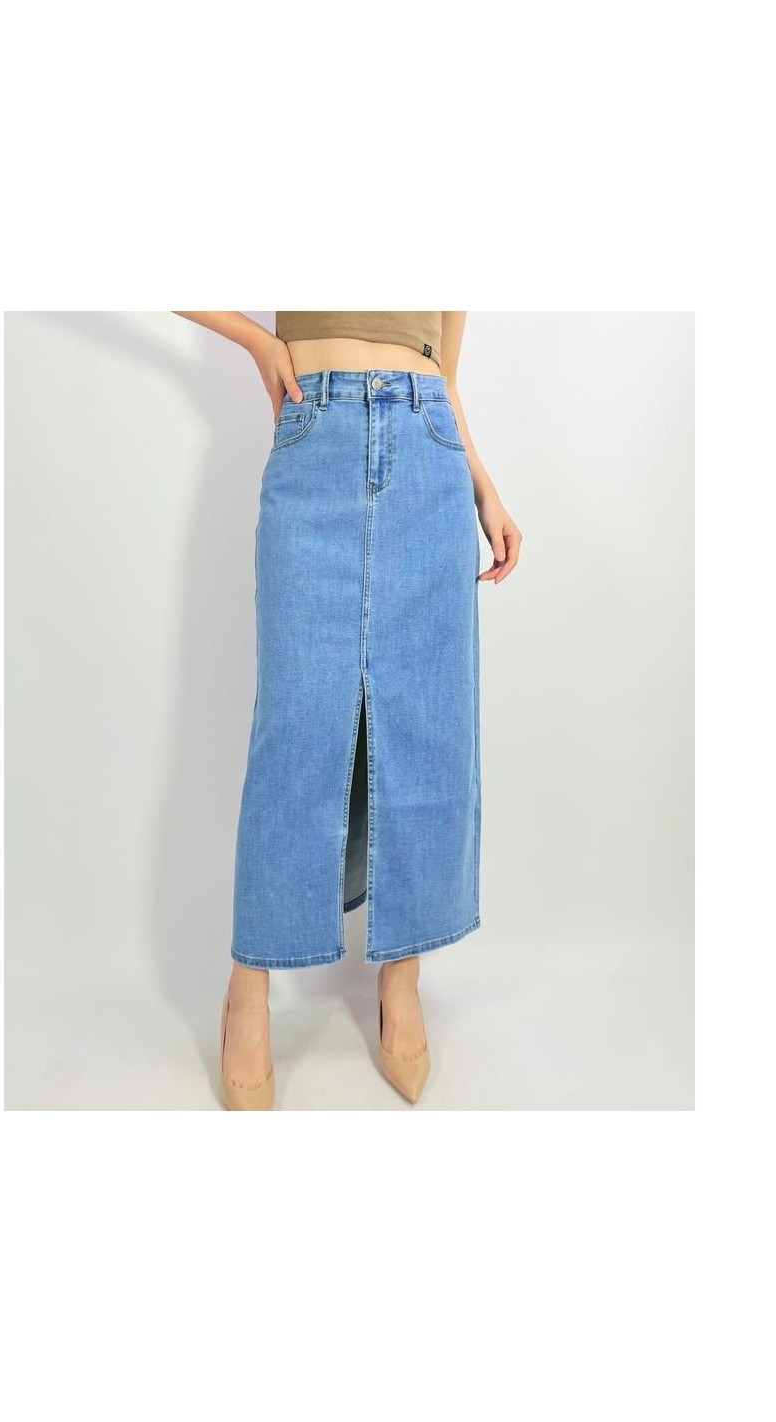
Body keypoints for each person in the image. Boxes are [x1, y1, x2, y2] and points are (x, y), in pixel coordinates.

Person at [173, 312, 522, 1108]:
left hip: (429, 446)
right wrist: (258, 342)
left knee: (427, 727)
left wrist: (484, 487)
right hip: (316, 434)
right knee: (296, 730)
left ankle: (402, 976)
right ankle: (248, 988)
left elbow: (446, 369)